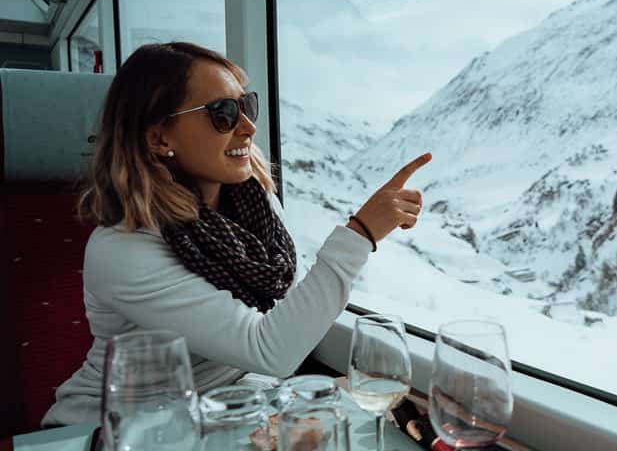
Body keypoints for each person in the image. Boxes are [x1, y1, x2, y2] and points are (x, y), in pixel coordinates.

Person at [42, 42, 430, 426]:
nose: (249, 126)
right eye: (223, 113)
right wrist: (359, 234)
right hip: (117, 434)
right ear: (160, 138)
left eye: (247, 106)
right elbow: (269, 349)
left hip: (222, 413)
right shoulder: (122, 250)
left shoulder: (253, 208)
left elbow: (289, 313)